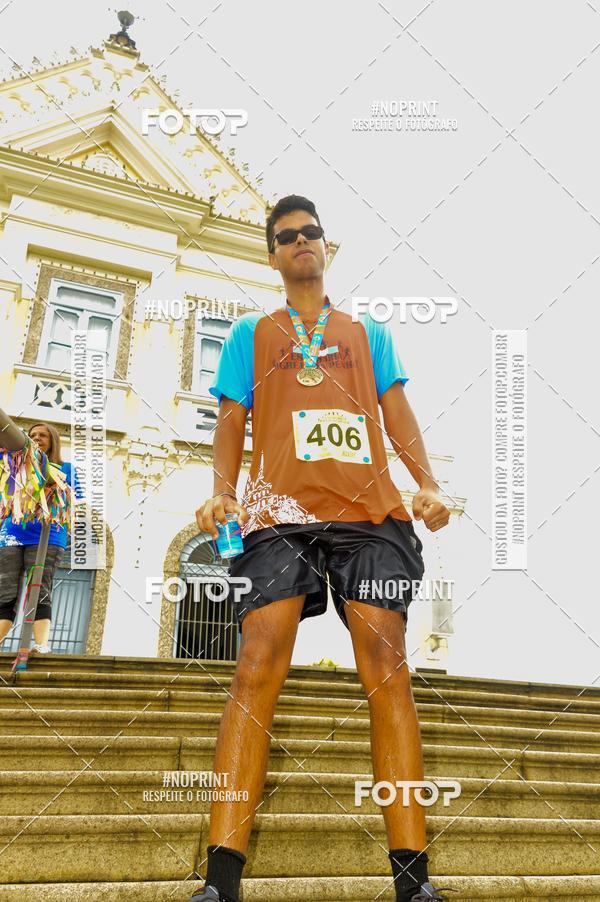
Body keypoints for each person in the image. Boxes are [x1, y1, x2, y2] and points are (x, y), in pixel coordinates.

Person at [192, 196, 452, 902]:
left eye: (311, 233)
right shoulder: (251, 331)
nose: (301, 242)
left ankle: (412, 881)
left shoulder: (368, 333)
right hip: (279, 515)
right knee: (255, 663)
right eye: (286, 236)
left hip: (370, 513)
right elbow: (230, 418)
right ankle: (220, 880)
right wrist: (224, 491)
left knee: (386, 665)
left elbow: (396, 412)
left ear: (325, 247)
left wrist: (427, 482)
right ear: (271, 254)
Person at [0, 422, 75, 654]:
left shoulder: (66, 468)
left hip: (47, 536)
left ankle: (41, 645)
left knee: (39, 589)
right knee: (5, 591)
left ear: (53, 440)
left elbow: (72, 498)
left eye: (43, 435)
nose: (37, 438)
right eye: (32, 435)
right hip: (12, 533)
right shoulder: (12, 466)